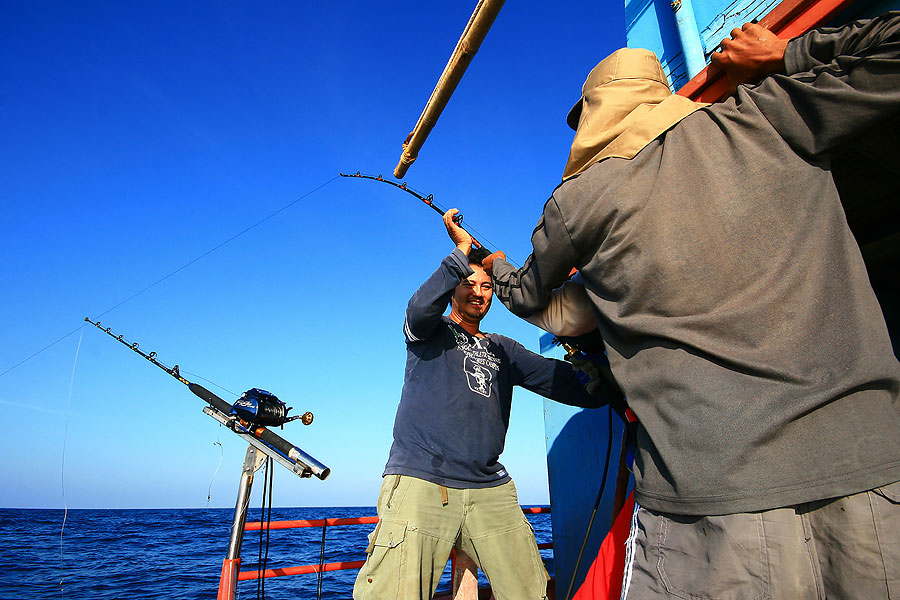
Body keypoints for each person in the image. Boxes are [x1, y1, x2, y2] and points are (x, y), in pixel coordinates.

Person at [486, 13, 900, 599]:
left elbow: (527, 297)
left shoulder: (577, 202)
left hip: (707, 511)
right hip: (877, 484)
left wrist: (493, 264)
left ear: (596, 115)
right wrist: (786, 55)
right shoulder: (768, 113)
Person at [352, 209, 614, 600]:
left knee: (531, 591)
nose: (478, 292)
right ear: (454, 288)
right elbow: (419, 309)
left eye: (488, 286)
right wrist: (460, 252)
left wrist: (608, 373)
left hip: (489, 487)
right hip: (422, 481)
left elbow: (564, 383)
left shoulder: (503, 349)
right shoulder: (429, 334)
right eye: (469, 284)